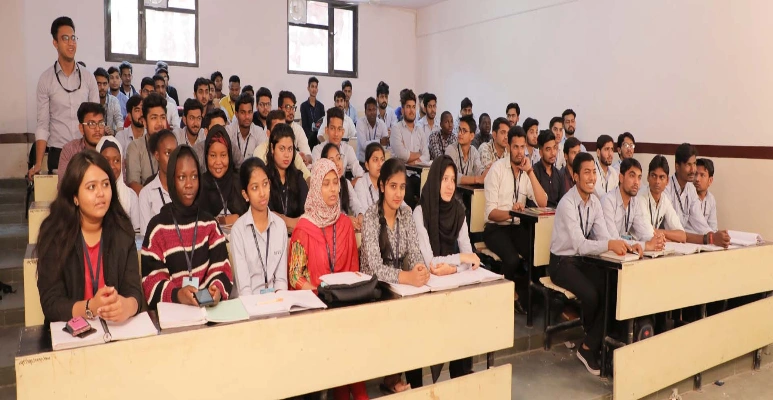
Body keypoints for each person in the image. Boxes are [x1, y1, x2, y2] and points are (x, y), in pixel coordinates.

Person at [285, 158, 368, 399]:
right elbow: (295, 275)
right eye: (326, 184)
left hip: (343, 303)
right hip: (316, 306)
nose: (333, 189)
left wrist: (342, 297)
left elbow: (354, 268)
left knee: (350, 338)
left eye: (335, 183)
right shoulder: (303, 228)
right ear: (316, 189)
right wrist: (321, 293)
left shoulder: (344, 223)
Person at [549, 152, 637, 376]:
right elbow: (579, 244)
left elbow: (604, 236)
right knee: (592, 295)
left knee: (612, 288)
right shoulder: (567, 203)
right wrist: (609, 243)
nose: (591, 177)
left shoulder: (595, 202)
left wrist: (626, 245)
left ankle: (589, 345)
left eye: (593, 172)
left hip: (582, 260)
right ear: (575, 176)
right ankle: (591, 343)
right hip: (561, 262)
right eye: (586, 172)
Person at [36, 150, 142, 323]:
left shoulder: (122, 229)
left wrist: (127, 307)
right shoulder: (55, 234)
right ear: (75, 196)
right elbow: (51, 303)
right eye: (91, 187)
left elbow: (134, 291)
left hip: (114, 331)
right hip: (70, 337)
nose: (101, 193)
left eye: (106, 184)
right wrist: (90, 307)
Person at [360, 158, 428, 392]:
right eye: (392, 186)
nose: (398, 193)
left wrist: (419, 268)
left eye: (402, 187)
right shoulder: (370, 216)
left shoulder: (406, 213)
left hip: (401, 286)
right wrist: (407, 277)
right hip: (376, 290)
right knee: (401, 318)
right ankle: (394, 380)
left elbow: (414, 251)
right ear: (381, 186)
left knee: (420, 316)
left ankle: (415, 386)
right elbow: (376, 268)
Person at [412, 155, 481, 382]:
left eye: (453, 179)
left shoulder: (458, 212)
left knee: (467, 316)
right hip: (426, 290)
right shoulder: (420, 212)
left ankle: (459, 378)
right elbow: (431, 262)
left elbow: (471, 260)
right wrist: (459, 259)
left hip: (451, 283)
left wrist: (454, 268)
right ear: (434, 180)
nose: (450, 186)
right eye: (444, 179)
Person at [141, 145, 233, 309]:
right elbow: (150, 283)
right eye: (182, 177)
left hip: (208, 312)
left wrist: (216, 290)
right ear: (171, 180)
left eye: (194, 177)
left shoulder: (209, 224)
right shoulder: (158, 228)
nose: (189, 184)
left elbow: (222, 269)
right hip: (173, 317)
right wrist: (178, 295)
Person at [483, 126, 548, 312]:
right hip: (495, 228)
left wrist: (530, 172)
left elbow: (542, 202)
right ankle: (506, 296)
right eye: (516, 147)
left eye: (522, 147)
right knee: (512, 259)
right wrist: (511, 212)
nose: (520, 152)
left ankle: (532, 296)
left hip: (515, 227)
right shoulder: (497, 170)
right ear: (509, 147)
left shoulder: (525, 171)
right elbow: (490, 213)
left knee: (536, 252)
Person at [30, 17, 100, 180]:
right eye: (65, 38)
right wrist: (38, 163)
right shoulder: (46, 79)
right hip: (58, 152)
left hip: (86, 151)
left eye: (73, 38)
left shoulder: (88, 78)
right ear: (55, 43)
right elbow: (42, 124)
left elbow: (96, 120)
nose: (71, 43)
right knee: (61, 202)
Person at [230, 157, 288, 295]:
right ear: (245, 194)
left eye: (265, 184)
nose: (262, 193)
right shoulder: (238, 231)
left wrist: (278, 305)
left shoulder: (280, 226)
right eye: (255, 188)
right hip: (248, 305)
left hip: (276, 303)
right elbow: (244, 288)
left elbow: (281, 280)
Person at [664, 143, 730, 246]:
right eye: (688, 165)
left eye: (694, 164)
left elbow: (699, 222)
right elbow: (675, 230)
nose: (693, 170)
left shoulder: (691, 189)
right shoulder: (666, 188)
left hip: (684, 244)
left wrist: (715, 236)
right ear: (677, 166)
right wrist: (710, 238)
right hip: (668, 243)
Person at [602, 158, 665, 251]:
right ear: (621, 178)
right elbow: (613, 240)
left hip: (620, 254)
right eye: (632, 176)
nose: (636, 182)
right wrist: (646, 245)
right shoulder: (608, 201)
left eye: (639, 177)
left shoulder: (635, 201)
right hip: (599, 257)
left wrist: (656, 240)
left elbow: (643, 230)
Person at [199, 125, 248, 226]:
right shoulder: (200, 185)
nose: (218, 162)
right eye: (213, 155)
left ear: (229, 155)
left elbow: (249, 217)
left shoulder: (239, 181)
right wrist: (225, 220)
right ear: (206, 156)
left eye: (223, 155)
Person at [266, 124, 309, 233]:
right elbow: (267, 216)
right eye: (282, 149)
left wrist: (283, 219)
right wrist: (294, 222)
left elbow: (308, 218)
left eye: (290, 149)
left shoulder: (298, 177)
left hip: (297, 239)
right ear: (272, 148)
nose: (287, 155)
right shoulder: (264, 177)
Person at [390, 89, 429, 208]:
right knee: (408, 191)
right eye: (408, 107)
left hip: (418, 175)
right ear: (402, 110)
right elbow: (402, 154)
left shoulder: (420, 130)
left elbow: (426, 155)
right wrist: (418, 154)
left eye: (413, 107)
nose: (411, 110)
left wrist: (411, 158)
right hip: (401, 173)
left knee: (429, 191)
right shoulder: (396, 129)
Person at [638, 155, 687, 243]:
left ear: (667, 181)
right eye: (653, 176)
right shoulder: (640, 197)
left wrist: (658, 232)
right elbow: (648, 233)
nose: (657, 181)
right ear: (648, 177)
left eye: (661, 177)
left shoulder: (665, 199)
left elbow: (682, 236)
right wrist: (669, 238)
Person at [138, 130, 177, 236]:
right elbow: (146, 236)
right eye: (168, 153)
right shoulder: (146, 194)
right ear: (157, 155)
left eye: (176, 153)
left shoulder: (185, 188)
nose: (173, 158)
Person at [57, 102, 106, 188]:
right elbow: (63, 186)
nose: (97, 129)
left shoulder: (112, 150)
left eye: (101, 123)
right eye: (91, 124)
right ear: (81, 128)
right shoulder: (70, 150)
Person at [97, 136, 140, 232]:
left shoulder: (130, 196)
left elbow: (136, 234)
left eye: (116, 160)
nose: (112, 166)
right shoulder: (92, 194)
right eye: (106, 160)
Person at [126, 93, 167, 193]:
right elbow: (133, 185)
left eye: (162, 117)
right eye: (154, 118)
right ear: (144, 122)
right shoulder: (135, 147)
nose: (159, 123)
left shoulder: (172, 145)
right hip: (146, 204)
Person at [253, 110, 311, 181]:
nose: (282, 132)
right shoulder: (259, 152)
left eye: (284, 127)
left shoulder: (291, 151)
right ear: (268, 133)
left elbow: (307, 175)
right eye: (277, 129)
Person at [321, 143, 365, 230]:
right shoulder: (322, 186)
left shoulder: (346, 183)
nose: (337, 164)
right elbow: (326, 215)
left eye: (338, 158)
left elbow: (355, 203)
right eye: (332, 160)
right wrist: (346, 220)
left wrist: (360, 214)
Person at [312, 107, 364, 180]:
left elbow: (360, 174)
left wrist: (348, 186)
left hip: (343, 189)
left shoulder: (348, 149)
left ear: (343, 132)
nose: (336, 134)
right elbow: (316, 179)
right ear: (327, 130)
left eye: (339, 129)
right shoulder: (317, 150)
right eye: (332, 128)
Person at [226, 93, 265, 169]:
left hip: (252, 174)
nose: (247, 116)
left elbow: (261, 161)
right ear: (236, 114)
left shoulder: (259, 132)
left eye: (249, 112)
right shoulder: (228, 131)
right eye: (243, 112)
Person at [446, 115, 485, 185]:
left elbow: (479, 170)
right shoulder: (451, 149)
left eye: (464, 131)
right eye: (459, 129)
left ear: (472, 136)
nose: (460, 133)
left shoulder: (474, 152)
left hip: (468, 194)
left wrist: (486, 172)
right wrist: (476, 179)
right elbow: (452, 175)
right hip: (452, 193)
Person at [278, 90, 313, 165]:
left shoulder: (298, 129)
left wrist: (305, 158)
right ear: (279, 109)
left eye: (293, 107)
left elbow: (309, 156)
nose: (291, 111)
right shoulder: (273, 127)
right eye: (287, 107)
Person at [532, 131, 564, 208]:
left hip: (555, 217)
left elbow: (562, 202)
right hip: (537, 217)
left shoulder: (558, 174)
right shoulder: (534, 172)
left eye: (554, 148)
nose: (553, 153)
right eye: (548, 149)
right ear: (541, 152)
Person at [356, 97, 389, 162]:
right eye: (369, 110)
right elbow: (364, 145)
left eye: (374, 109)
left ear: (377, 111)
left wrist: (383, 142)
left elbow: (385, 145)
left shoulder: (382, 124)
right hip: (363, 162)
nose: (372, 112)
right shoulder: (360, 123)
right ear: (365, 112)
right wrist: (380, 142)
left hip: (378, 163)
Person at [355, 143, 386, 210]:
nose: (380, 164)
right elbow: (364, 214)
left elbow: (403, 206)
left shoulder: (387, 181)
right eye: (375, 160)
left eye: (382, 160)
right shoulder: (360, 184)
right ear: (367, 165)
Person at [93, 68, 122, 135]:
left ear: (108, 84)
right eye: (99, 84)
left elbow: (119, 121)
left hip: (109, 138)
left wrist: (114, 132)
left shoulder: (114, 101)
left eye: (105, 84)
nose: (102, 87)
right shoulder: (89, 101)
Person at [300, 76, 325, 149]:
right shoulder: (304, 106)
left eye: (316, 87)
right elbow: (304, 126)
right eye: (312, 86)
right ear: (308, 88)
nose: (314, 89)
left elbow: (322, 125)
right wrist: (310, 138)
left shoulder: (321, 106)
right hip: (308, 140)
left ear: (317, 89)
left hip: (319, 139)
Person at [695, 158, 717, 231]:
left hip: (706, 239)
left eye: (702, 175)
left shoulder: (711, 199)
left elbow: (713, 227)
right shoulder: (688, 196)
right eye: (695, 174)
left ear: (710, 180)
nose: (697, 179)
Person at [594, 135, 619, 199]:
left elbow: (617, 196)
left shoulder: (613, 172)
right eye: (606, 149)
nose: (610, 154)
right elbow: (600, 196)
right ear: (598, 152)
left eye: (612, 149)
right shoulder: (592, 170)